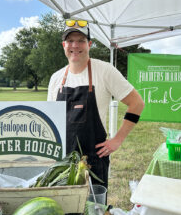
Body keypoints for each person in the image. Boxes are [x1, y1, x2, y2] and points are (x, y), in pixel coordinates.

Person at [47, 19, 145, 188]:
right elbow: (50, 120)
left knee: (94, 210)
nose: (75, 45)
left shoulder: (105, 71)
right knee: (64, 210)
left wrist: (117, 140)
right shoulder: (56, 78)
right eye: (70, 40)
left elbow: (137, 103)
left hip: (94, 160)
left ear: (89, 44)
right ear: (64, 44)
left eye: (81, 41)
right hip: (62, 162)